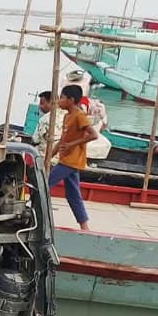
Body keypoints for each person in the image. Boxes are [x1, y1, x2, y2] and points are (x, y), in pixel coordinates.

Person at [47, 85, 99, 231]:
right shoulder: (67, 116)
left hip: (71, 161)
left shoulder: (79, 115)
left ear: (71, 100)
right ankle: (85, 227)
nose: (59, 101)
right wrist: (48, 156)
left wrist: (72, 144)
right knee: (73, 196)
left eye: (62, 98)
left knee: (45, 185)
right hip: (66, 159)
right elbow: (63, 140)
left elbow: (93, 135)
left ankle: (38, 218)